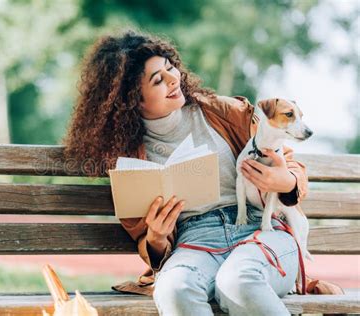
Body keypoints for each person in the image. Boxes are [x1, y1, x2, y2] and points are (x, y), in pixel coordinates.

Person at [63, 30, 308, 316]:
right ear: (133, 99)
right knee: (174, 290)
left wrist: (286, 180)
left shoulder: (224, 112)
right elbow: (146, 240)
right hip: (195, 241)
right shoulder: (129, 159)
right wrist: (156, 237)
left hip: (259, 230)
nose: (172, 79)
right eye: (158, 80)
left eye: (170, 68)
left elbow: (291, 165)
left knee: (239, 281)